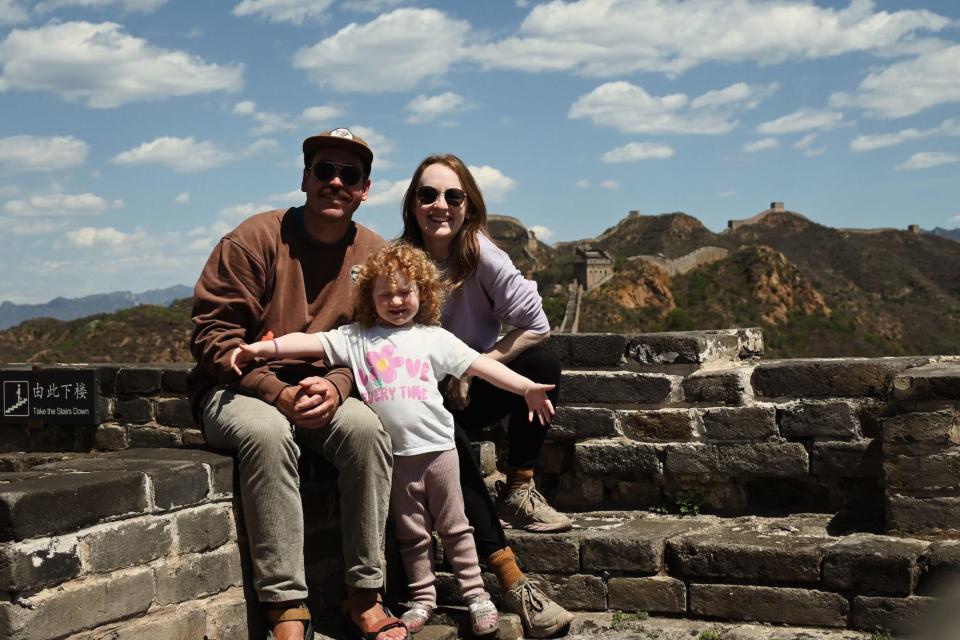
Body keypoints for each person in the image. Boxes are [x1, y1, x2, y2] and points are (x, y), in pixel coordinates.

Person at [230, 242, 557, 636]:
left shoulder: (434, 338)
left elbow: (482, 366)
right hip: (396, 459)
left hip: (439, 452)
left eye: (405, 292)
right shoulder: (357, 338)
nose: (397, 301)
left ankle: (476, 595)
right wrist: (261, 348)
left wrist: (526, 390)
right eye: (386, 294)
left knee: (455, 527)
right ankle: (423, 598)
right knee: (411, 534)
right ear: (370, 298)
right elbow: (309, 342)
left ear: (423, 292)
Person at [186, 129, 408, 640]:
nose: (336, 182)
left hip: (322, 390)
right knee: (267, 434)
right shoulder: (256, 239)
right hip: (239, 388)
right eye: (325, 170)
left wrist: (336, 385)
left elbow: (377, 339)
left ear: (364, 188)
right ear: (305, 178)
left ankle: (365, 596)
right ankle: (287, 610)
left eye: (348, 175)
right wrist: (275, 390)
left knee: (368, 434)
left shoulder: (374, 252)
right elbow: (214, 335)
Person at [400, 154, 575, 638]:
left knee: (541, 365)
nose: (440, 205)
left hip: (472, 383)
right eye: (427, 195)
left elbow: (536, 326)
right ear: (412, 206)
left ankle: (520, 485)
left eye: (453, 196)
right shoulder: (402, 262)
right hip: (418, 399)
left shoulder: (482, 256)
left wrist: (478, 369)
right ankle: (511, 577)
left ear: (468, 206)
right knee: (443, 433)